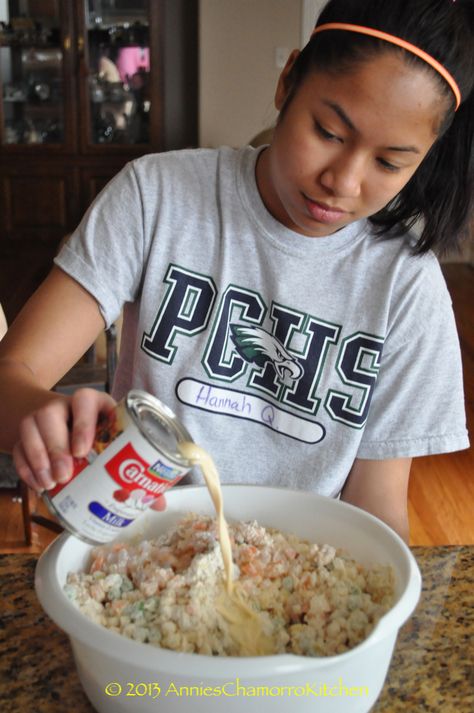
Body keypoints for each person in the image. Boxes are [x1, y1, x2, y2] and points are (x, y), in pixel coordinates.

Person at [0, 0, 472, 544]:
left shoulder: (407, 286)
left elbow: (379, 508)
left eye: (390, 163)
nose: (342, 182)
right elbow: (11, 376)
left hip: (298, 572)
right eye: (328, 133)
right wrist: (47, 418)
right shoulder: (156, 197)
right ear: (287, 81)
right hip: (137, 545)